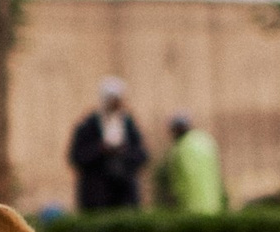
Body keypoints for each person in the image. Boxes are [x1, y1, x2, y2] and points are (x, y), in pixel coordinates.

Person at [68, 77, 150, 212]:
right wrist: (100, 149)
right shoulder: (88, 126)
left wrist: (123, 152)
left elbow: (141, 154)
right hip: (97, 195)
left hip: (125, 193)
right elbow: (76, 157)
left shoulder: (128, 125)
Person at [161, 112, 228, 215]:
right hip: (213, 201)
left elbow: (179, 180)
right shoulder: (206, 140)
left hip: (189, 205)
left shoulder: (179, 149)